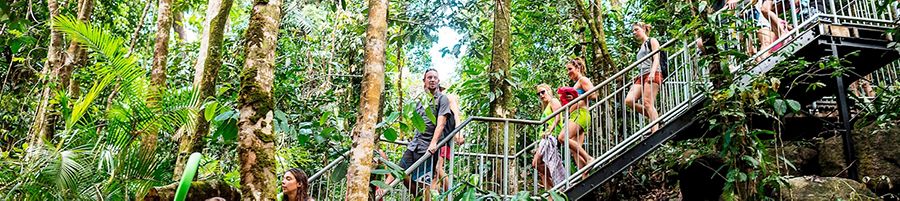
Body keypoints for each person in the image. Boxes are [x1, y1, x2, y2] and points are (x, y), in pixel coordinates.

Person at [379, 68, 456, 201]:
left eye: (435, 78)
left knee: (425, 182)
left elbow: (441, 123)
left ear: (438, 81)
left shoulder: (442, 99)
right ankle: (380, 193)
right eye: (429, 77)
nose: (432, 80)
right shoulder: (421, 101)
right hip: (414, 145)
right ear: (424, 81)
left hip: (428, 148)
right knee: (400, 172)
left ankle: (424, 198)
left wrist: (433, 143)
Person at [625, 22, 663, 134]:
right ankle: (655, 119)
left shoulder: (652, 40)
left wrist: (652, 72)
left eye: (636, 30)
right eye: (633, 31)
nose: (634, 33)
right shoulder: (641, 46)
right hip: (641, 75)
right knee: (629, 101)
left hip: (653, 72)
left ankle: (654, 130)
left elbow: (656, 58)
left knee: (647, 103)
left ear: (643, 29)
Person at [532, 84, 568, 190]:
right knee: (540, 168)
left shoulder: (554, 101)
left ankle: (561, 183)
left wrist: (550, 131)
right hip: (544, 138)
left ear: (548, 90)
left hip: (551, 136)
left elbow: (558, 116)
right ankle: (554, 191)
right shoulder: (546, 106)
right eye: (538, 94)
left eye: (543, 92)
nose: (541, 95)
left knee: (536, 163)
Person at [557, 86, 593, 178]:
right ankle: (585, 175)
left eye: (570, 70)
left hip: (579, 113)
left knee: (562, 137)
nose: (568, 72)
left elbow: (593, 94)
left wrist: (577, 97)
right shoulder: (576, 83)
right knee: (575, 150)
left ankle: (588, 158)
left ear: (578, 70)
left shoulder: (582, 79)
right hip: (575, 115)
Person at [433, 85, 464, 192]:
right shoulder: (435, 101)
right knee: (434, 173)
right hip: (438, 140)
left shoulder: (448, 98)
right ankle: (436, 196)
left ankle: (449, 194)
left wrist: (459, 134)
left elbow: (457, 115)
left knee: (438, 168)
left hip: (445, 139)